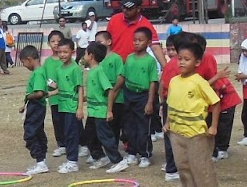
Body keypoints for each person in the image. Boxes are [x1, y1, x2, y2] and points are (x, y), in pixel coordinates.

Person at [163, 35, 221, 187]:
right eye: (179, 58)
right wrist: (167, 123)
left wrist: (213, 126)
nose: (181, 62)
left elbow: (216, 103)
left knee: (201, 169)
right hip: (176, 133)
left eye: (186, 59)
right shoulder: (174, 81)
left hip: (197, 134)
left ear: (197, 62)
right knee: (183, 167)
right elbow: (170, 104)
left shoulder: (199, 82)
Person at [79, 41, 126, 172]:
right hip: (92, 111)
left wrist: (109, 110)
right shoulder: (91, 71)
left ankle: (118, 161)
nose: (84, 55)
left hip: (100, 111)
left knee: (105, 136)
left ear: (91, 56)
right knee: (89, 135)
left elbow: (110, 90)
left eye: (85, 53)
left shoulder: (99, 71)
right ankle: (100, 157)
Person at [119, 26, 161, 167]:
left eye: (140, 40)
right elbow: (122, 77)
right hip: (129, 94)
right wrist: (114, 90)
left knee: (143, 127)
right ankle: (131, 153)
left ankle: (145, 154)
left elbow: (152, 82)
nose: (136, 43)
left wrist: (150, 102)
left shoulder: (150, 61)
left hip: (143, 96)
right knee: (129, 126)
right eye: (135, 40)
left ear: (148, 42)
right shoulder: (129, 58)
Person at [45, 37, 84, 174]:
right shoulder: (59, 69)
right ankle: (70, 159)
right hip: (62, 105)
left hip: (71, 106)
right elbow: (61, 88)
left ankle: (72, 162)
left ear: (72, 52)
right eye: (60, 52)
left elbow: (80, 88)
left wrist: (79, 108)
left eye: (65, 52)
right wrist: (50, 93)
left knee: (72, 134)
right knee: (67, 133)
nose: (62, 55)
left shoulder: (75, 69)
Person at [18, 44, 50, 176]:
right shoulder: (39, 72)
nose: (24, 65)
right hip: (35, 107)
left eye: (23, 62)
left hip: (36, 107)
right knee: (38, 132)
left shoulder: (38, 73)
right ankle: (40, 161)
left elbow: (39, 93)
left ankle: (40, 161)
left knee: (30, 134)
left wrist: (28, 96)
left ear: (29, 59)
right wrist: (24, 104)